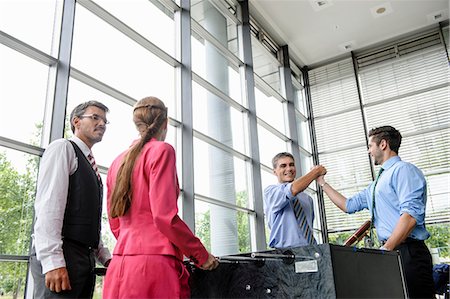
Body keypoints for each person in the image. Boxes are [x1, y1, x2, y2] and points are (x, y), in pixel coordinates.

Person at [103, 96, 219, 299]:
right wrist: (201, 255)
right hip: (154, 266)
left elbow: (115, 222)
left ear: (136, 124)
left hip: (120, 265)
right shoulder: (162, 151)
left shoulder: (116, 162)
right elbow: (164, 217)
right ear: (165, 123)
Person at [317, 125, 434, 299]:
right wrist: (322, 183)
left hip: (408, 252)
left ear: (383, 144)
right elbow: (348, 205)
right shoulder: (376, 185)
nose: (368, 151)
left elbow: (410, 216)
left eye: (370, 146)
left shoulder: (404, 170)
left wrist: (387, 248)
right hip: (392, 252)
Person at [30, 101, 112, 298]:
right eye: (95, 117)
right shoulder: (62, 148)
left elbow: (86, 219)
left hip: (83, 259)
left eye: (105, 121)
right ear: (76, 121)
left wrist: (106, 257)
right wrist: (52, 262)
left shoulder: (90, 164)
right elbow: (49, 206)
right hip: (63, 256)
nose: (101, 123)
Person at [264, 152, 327, 248]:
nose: (289, 169)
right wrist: (315, 172)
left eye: (291, 165)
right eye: (283, 166)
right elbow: (292, 190)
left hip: (310, 249)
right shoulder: (271, 192)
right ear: (275, 171)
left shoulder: (307, 199)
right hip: (285, 253)